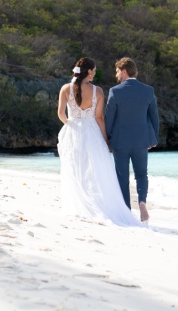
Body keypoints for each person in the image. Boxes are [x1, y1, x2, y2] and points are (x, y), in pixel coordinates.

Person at [56, 58, 143, 227]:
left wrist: (71, 125)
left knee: (75, 168)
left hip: (73, 131)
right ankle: (96, 204)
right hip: (92, 132)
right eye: (94, 70)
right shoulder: (98, 91)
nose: (95, 73)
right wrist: (105, 139)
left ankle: (78, 206)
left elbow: (60, 113)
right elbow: (99, 118)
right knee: (96, 171)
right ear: (88, 72)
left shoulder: (65, 88)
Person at [104, 57, 159, 223]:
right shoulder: (148, 91)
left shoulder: (115, 91)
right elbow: (154, 118)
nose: (116, 75)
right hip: (141, 141)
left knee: (122, 176)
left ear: (124, 71)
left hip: (120, 142)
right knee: (141, 174)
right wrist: (153, 138)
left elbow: (109, 119)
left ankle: (127, 212)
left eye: (117, 71)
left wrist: (107, 138)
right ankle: (142, 202)